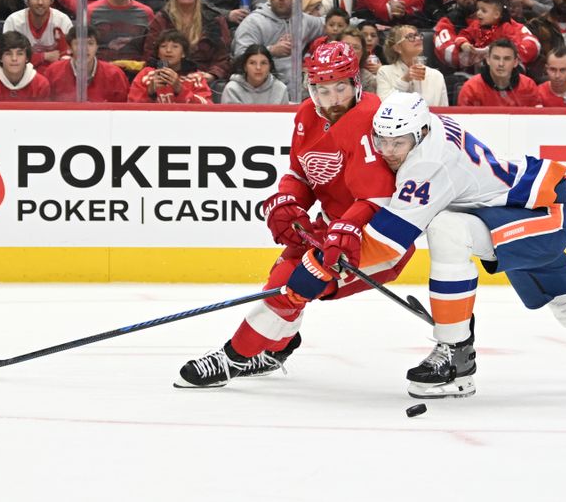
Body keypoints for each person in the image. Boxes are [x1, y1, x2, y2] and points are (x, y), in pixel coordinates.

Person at [286, 90, 566, 398]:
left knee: (446, 230)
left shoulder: (428, 163)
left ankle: (456, 354)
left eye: (397, 142)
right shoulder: (421, 127)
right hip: (509, 211)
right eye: (381, 141)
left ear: (419, 135)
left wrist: (328, 262)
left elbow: (387, 246)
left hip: (536, 214)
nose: (387, 150)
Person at [176, 41, 412, 388]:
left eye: (340, 88)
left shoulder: (371, 119)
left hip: (376, 237)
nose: (331, 100)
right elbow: (303, 173)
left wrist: (345, 226)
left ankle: (232, 359)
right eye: (321, 89)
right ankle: (277, 348)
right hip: (335, 229)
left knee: (289, 287)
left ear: (356, 84)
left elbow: (376, 197)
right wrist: (287, 199)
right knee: (283, 273)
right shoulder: (307, 115)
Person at [231, 0, 324, 93]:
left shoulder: (303, 20)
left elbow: (332, 24)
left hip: (299, 92)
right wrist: (271, 51)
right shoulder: (254, 22)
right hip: (263, 92)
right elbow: (239, 58)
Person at [143, 0, 232, 85]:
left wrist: (212, 74)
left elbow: (223, 56)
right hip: (167, 76)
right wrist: (164, 73)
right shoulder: (162, 19)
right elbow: (151, 55)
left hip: (204, 77)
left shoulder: (214, 19)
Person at [452, 0, 541, 68]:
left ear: (497, 14)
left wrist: (493, 50)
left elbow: (515, 47)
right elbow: (463, 35)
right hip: (480, 67)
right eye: (478, 9)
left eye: (484, 11)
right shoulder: (476, 25)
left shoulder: (506, 28)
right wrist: (464, 44)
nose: (478, 13)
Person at [3, 0, 73, 76]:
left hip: (55, 75)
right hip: (21, 75)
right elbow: (9, 56)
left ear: (51, 0)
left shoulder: (62, 20)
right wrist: (43, 56)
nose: (40, 2)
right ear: (27, 1)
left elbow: (69, 56)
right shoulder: (14, 21)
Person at [88, 0, 155, 69]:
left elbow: (150, 50)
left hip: (135, 73)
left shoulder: (146, 13)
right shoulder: (91, 11)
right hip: (101, 72)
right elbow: (85, 48)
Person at [43, 26, 130, 102]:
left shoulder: (115, 74)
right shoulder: (53, 72)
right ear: (70, 48)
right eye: (79, 43)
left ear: (97, 47)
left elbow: (123, 111)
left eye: (90, 43)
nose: (85, 49)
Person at [127, 28, 212, 103]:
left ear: (183, 53)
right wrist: (150, 93)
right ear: (158, 54)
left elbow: (207, 108)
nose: (168, 50)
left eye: (175, 46)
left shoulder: (195, 77)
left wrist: (181, 90)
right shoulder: (146, 75)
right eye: (163, 46)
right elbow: (131, 109)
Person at [376, 24, 448, 106]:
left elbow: (445, 113)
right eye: (410, 36)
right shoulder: (384, 72)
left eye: (418, 35)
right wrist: (405, 80)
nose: (418, 39)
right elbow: (383, 105)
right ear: (397, 48)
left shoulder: (436, 76)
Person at [457, 38, 541, 107]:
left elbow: (536, 122)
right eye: (496, 58)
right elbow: (464, 125)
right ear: (488, 60)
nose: (501, 64)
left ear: (515, 62)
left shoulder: (529, 86)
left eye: (507, 59)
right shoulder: (471, 88)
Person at [432, 0, 486, 71]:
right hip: (461, 77)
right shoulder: (447, 22)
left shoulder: (497, 18)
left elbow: (522, 41)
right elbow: (447, 52)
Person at [0, 30, 50, 101]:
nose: (14, 58)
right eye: (8, 54)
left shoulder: (40, 84)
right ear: (0, 57)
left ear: (27, 58)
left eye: (20, 54)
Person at [220, 43, 288, 103]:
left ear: (270, 67)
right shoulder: (232, 89)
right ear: (245, 67)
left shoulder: (280, 89)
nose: (258, 67)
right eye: (252, 63)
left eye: (263, 63)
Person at [339, 26, 377, 94]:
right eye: (346, 46)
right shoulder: (323, 72)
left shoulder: (367, 79)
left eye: (356, 47)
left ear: (362, 53)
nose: (350, 50)